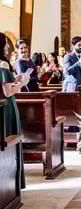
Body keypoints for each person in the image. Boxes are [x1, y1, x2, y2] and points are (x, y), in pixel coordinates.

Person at [0, 32, 30, 189]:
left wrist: (14, 80)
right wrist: (22, 83)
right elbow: (7, 92)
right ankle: (12, 185)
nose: (7, 46)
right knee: (9, 141)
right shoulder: (3, 64)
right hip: (6, 107)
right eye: (5, 43)